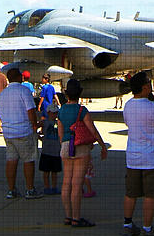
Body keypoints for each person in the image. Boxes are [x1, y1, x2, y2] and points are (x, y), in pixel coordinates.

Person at [121, 71, 154, 236]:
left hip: (133, 156)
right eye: (148, 84)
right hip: (151, 158)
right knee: (150, 195)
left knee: (131, 193)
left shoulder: (128, 105)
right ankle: (147, 228)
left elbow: (128, 123)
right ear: (144, 87)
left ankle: (127, 225)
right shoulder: (152, 107)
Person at [57, 77, 107, 226]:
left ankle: (68, 215)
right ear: (79, 94)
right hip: (80, 148)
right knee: (77, 184)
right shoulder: (81, 110)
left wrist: (64, 145)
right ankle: (76, 218)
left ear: (66, 94)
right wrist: (102, 145)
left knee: (66, 182)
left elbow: (60, 133)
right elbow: (93, 130)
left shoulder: (62, 110)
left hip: (66, 146)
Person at [0, 67, 42, 199]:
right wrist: (35, 125)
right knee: (28, 160)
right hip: (23, 131)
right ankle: (30, 189)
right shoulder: (24, 91)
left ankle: (11, 190)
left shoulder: (3, 94)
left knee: (11, 160)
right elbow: (30, 110)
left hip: (8, 132)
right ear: (19, 77)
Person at [39, 107, 62, 195]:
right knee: (46, 171)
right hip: (46, 151)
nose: (54, 114)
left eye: (56, 113)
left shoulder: (59, 123)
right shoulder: (44, 122)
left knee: (54, 172)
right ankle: (46, 187)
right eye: (52, 113)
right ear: (48, 112)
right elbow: (35, 127)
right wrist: (39, 137)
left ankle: (54, 187)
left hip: (56, 151)